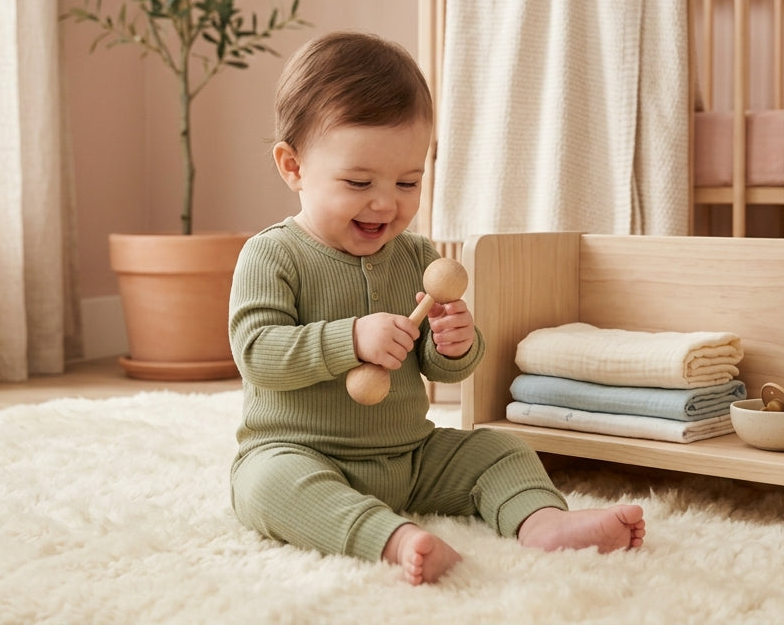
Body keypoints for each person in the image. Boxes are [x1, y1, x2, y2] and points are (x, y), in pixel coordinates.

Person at [228, 31, 645, 585]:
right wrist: (349, 339)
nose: (386, 201)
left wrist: (457, 344)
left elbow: (440, 368)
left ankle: (543, 522)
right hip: (302, 452)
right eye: (358, 182)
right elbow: (257, 353)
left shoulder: (419, 258)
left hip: (410, 455)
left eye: (408, 180)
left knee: (500, 449)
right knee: (265, 486)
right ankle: (391, 538)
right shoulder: (271, 255)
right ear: (293, 167)